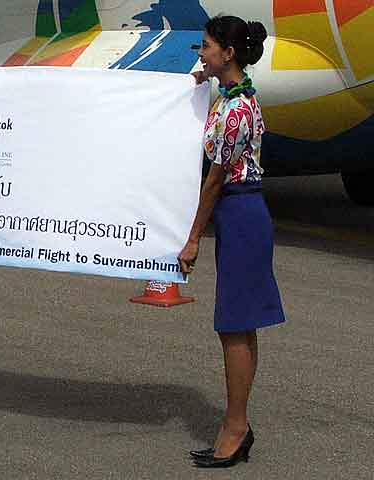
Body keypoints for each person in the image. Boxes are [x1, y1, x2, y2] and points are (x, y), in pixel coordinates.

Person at [178, 16, 286, 468]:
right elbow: (214, 81)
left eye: (205, 47)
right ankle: (236, 425)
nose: (200, 54)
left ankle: (236, 427)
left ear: (229, 52)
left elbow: (215, 182)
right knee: (238, 324)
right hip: (242, 213)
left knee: (234, 325)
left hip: (239, 211)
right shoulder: (235, 95)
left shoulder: (237, 109)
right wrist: (205, 76)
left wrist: (192, 240)